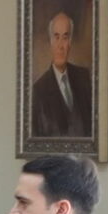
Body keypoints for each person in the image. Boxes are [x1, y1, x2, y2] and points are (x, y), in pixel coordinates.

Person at [30, 10, 93, 143]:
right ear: (51, 42)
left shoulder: (84, 77)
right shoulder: (38, 91)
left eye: (65, 37)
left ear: (70, 42)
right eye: (56, 37)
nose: (61, 46)